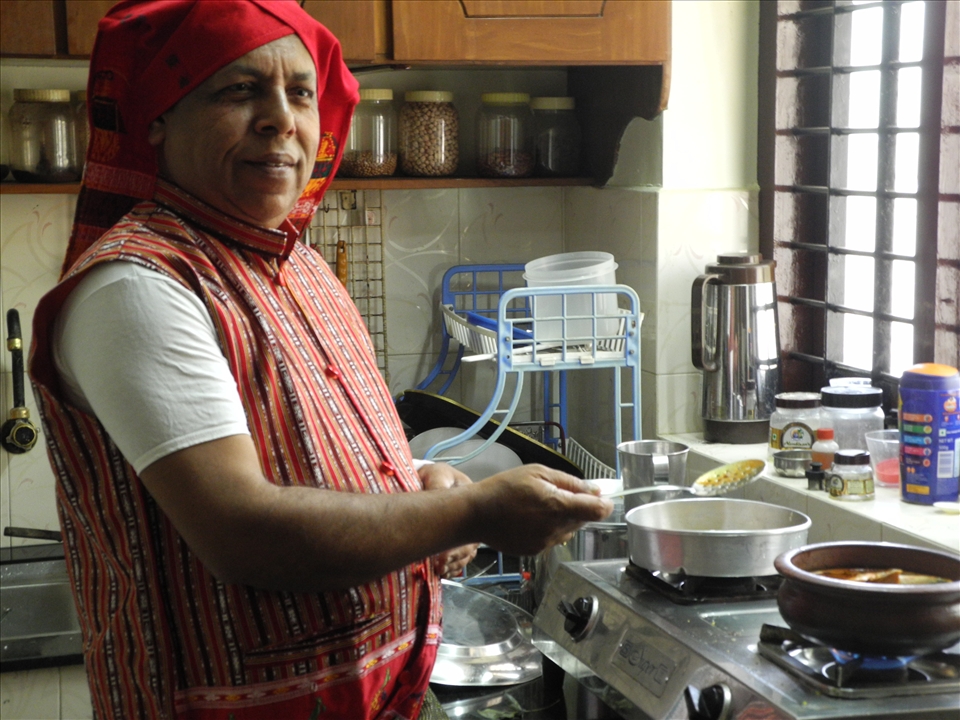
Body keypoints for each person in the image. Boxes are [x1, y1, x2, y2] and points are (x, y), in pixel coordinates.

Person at [27, 2, 613, 719]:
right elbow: (243, 533)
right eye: (238, 90)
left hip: (383, 691)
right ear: (158, 119)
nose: (281, 120)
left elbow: (327, 456)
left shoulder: (299, 265)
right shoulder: (139, 289)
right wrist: (468, 514)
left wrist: (420, 483)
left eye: (300, 93)